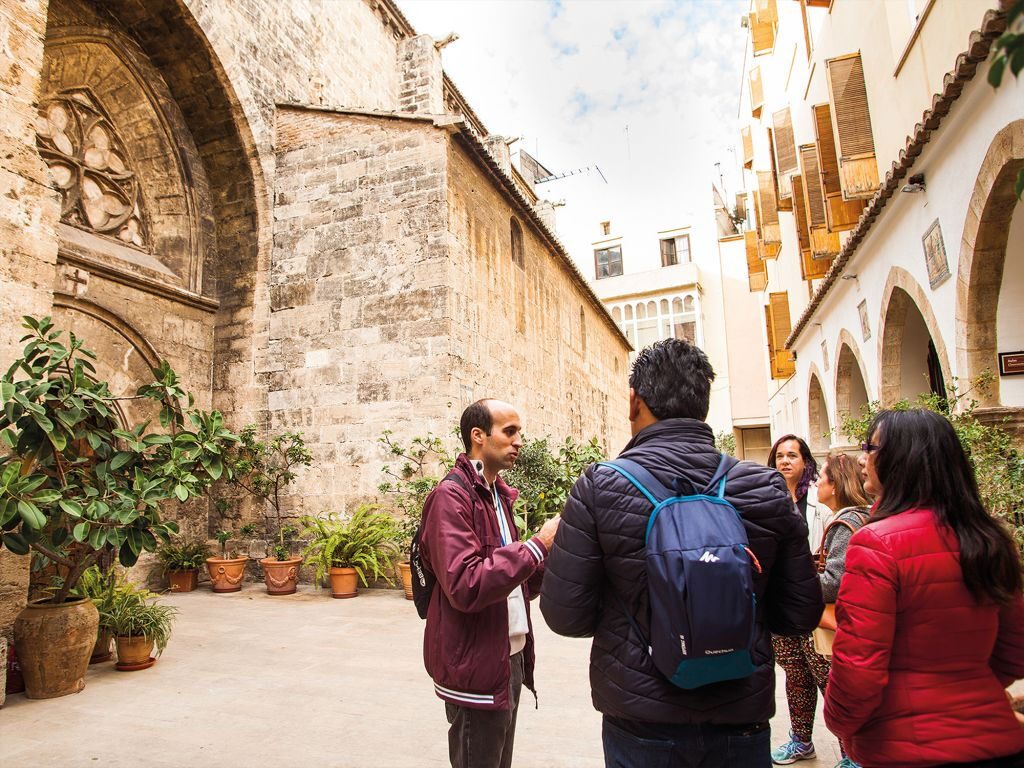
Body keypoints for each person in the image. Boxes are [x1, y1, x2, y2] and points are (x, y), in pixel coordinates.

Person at [539, 339, 823, 768]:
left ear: (634, 401)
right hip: (739, 713)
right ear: (703, 402)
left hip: (641, 718)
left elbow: (565, 615)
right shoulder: (764, 487)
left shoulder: (600, 486)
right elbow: (800, 614)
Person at [824, 409, 1024, 768]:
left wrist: (841, 724)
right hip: (995, 738)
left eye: (870, 447)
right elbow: (1014, 648)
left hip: (908, 747)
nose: (861, 458)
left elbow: (859, 664)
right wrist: (968, 693)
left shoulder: (876, 543)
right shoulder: (990, 538)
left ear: (900, 460)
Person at [419, 399, 561, 768]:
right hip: (474, 667)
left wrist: (548, 555)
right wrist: (535, 546)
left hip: (506, 657)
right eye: (509, 432)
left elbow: (515, 585)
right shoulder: (450, 497)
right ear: (478, 436)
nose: (518, 442)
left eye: (520, 433)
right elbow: (465, 583)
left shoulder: (498, 495)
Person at [782, 451, 873, 768]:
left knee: (834, 688)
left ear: (835, 486)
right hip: (852, 622)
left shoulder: (846, 524)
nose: (817, 483)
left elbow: (834, 582)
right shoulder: (862, 517)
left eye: (821, 478)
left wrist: (796, 582)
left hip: (835, 624)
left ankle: (852, 756)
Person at [767, 434, 830, 765]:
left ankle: (852, 749)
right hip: (781, 607)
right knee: (795, 676)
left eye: (792, 455)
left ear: (806, 462)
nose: (785, 461)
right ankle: (801, 740)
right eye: (779, 456)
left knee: (827, 679)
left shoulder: (819, 507)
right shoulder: (766, 501)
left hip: (813, 608)